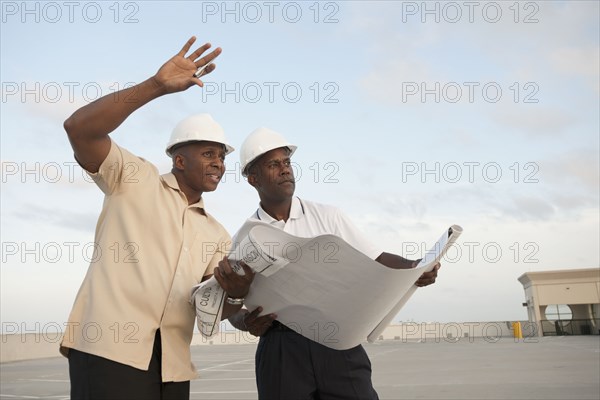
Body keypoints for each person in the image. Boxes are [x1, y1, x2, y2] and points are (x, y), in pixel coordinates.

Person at [60, 37, 254, 400]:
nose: (218, 163)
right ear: (179, 161)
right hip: (108, 353)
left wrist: (238, 296)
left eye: (222, 157)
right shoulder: (133, 178)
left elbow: (212, 303)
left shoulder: (216, 233)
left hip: (173, 368)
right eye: (208, 153)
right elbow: (79, 128)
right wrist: (156, 86)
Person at [227, 127, 441, 400]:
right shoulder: (243, 240)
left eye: (287, 163)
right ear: (252, 178)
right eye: (273, 164)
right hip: (282, 348)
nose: (285, 170)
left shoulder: (328, 216)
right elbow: (232, 306)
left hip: (338, 340)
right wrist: (246, 322)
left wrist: (416, 267)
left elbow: (376, 258)